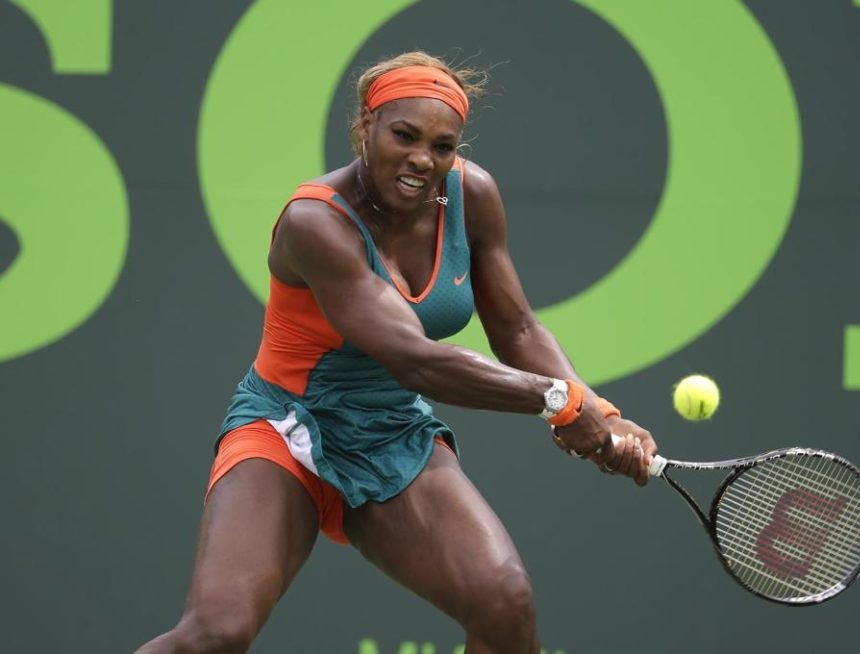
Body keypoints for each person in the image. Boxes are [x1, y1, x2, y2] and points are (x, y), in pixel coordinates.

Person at [135, 51, 658, 654]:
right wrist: (560, 402)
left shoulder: (472, 194)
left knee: (504, 600)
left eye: (442, 146)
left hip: (391, 431)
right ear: (366, 124)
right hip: (285, 426)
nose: (421, 161)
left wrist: (601, 411)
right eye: (404, 136)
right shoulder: (314, 222)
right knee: (215, 634)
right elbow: (415, 360)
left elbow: (516, 329)